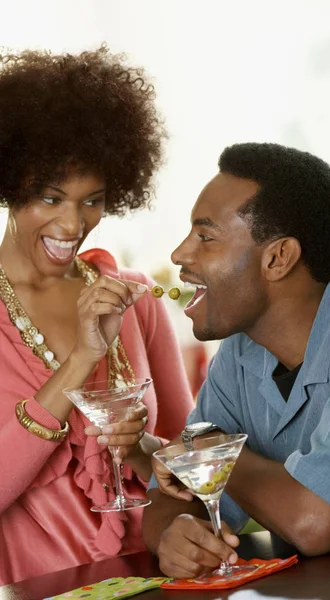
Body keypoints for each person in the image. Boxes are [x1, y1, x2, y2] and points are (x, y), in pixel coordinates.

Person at [142, 142, 330, 579]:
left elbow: (316, 522)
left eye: (205, 237)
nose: (180, 255)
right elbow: (172, 493)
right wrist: (178, 533)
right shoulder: (238, 355)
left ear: (278, 258)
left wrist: (211, 449)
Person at [0, 46, 193, 585]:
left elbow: (185, 466)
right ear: (10, 185)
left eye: (93, 200)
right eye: (49, 197)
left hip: (154, 581)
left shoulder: (134, 298)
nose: (72, 223)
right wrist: (84, 357)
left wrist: (139, 450)